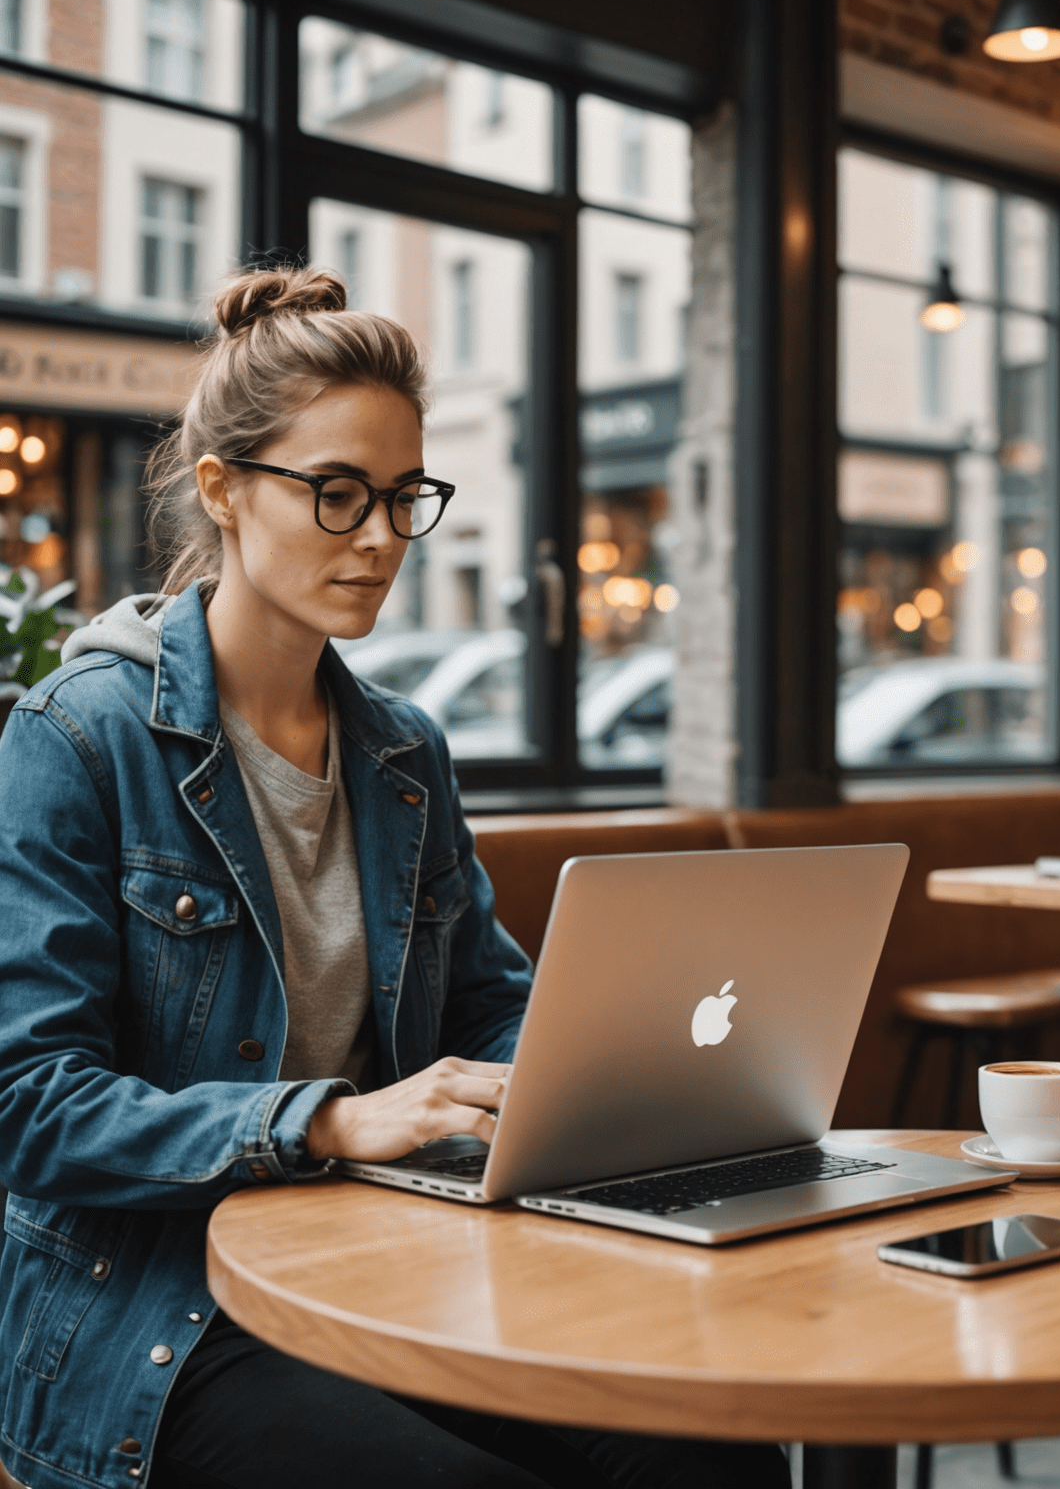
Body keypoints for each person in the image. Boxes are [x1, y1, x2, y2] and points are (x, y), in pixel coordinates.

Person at [0, 268, 790, 1489]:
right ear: (223, 489)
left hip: (385, 1261)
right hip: (157, 1311)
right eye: (336, 493)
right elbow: (31, 1101)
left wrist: (603, 1075)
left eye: (402, 496)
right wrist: (330, 1118)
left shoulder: (402, 751)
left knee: (705, 1448)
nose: (379, 537)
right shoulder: (75, 739)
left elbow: (488, 1003)